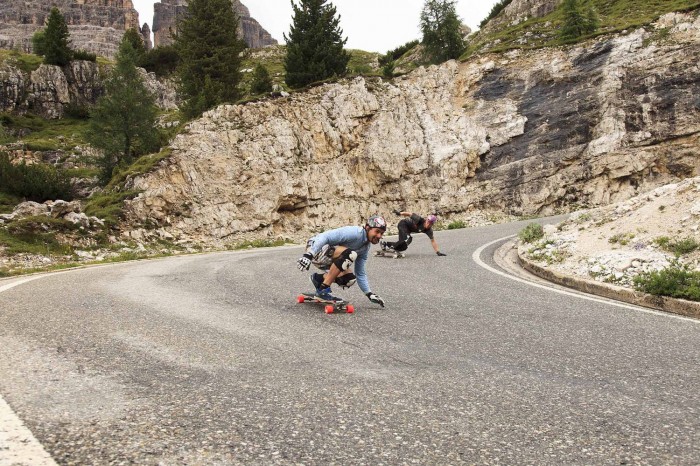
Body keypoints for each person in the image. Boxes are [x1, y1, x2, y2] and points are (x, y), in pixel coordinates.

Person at [297, 215, 387, 307]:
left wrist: (369, 294)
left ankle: (318, 279)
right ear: (368, 228)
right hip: (316, 248)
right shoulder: (354, 232)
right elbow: (325, 237)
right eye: (377, 231)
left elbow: (360, 273)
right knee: (350, 254)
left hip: (328, 257)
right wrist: (308, 255)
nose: (379, 236)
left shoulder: (365, 247)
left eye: (382, 233)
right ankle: (323, 290)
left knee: (349, 279)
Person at [380, 210, 447, 256]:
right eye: (428, 222)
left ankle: (388, 245)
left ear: (432, 224)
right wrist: (400, 213)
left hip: (408, 230)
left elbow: (433, 241)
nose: (428, 224)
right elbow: (409, 214)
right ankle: (387, 245)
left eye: (430, 224)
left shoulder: (429, 231)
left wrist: (438, 252)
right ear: (426, 220)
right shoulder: (419, 220)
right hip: (403, 224)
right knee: (406, 239)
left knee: (405, 244)